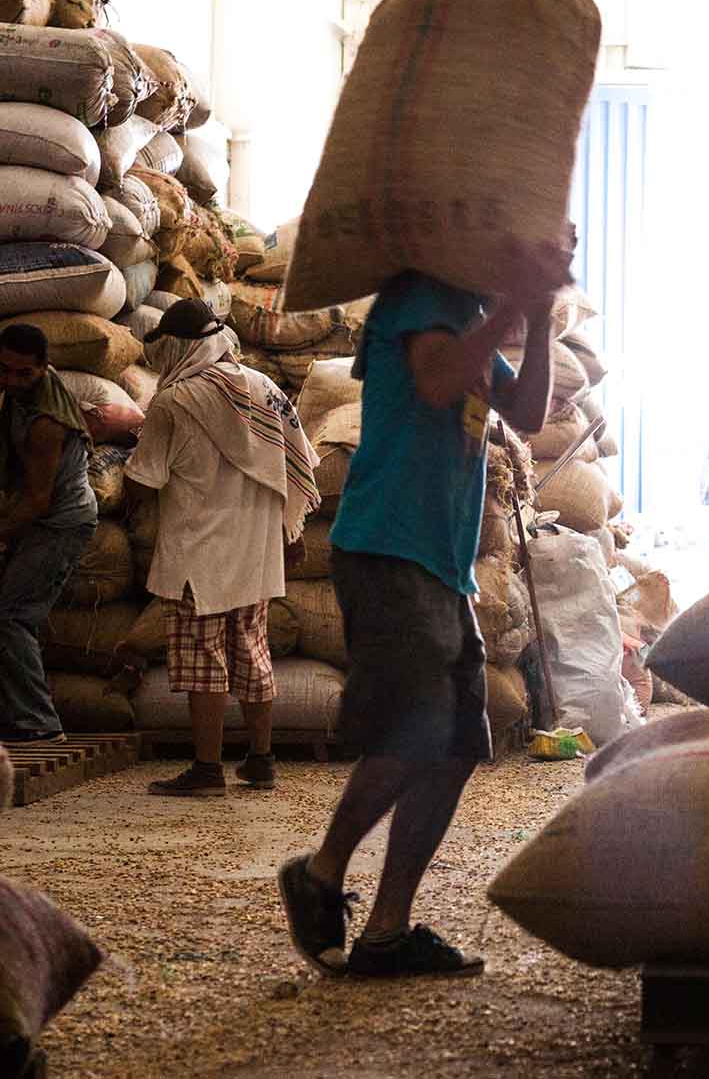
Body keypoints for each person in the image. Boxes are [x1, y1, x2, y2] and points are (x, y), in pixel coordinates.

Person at [277, 239, 564, 981]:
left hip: (441, 566)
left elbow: (528, 411)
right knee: (420, 727)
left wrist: (535, 313)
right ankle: (321, 870)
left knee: (459, 742)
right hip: (388, 548)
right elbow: (437, 382)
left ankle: (386, 931)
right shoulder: (420, 293)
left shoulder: (465, 312)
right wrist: (509, 303)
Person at [128, 300, 321, 798]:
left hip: (199, 551)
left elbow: (143, 478)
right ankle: (261, 760)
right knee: (252, 653)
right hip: (256, 546)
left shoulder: (173, 402)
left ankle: (207, 769)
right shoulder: (265, 388)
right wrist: (290, 532)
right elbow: (296, 463)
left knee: (202, 661)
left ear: (179, 347)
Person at [0, 323, 99, 744]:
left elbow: (37, 504)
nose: (11, 381)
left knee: (12, 617)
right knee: (2, 614)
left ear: (44, 368)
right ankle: (6, 718)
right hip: (41, 517)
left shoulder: (46, 423)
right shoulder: (23, 397)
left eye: (22, 373)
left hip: (61, 525)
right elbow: (8, 453)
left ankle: (41, 724)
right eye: (4, 370)